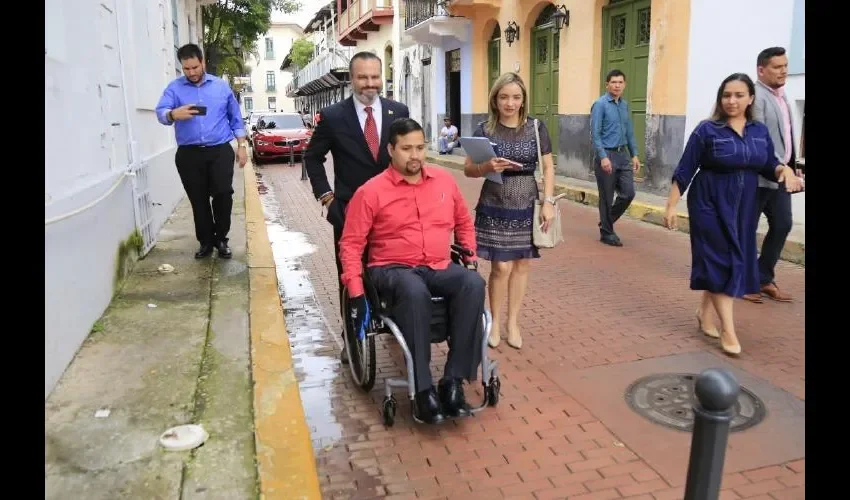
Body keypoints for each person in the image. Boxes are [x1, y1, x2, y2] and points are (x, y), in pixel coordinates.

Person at [339, 118, 485, 425]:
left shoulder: (445, 181)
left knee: (472, 283)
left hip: (438, 265)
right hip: (391, 269)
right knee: (413, 290)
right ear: (391, 149)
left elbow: (463, 222)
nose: (415, 155)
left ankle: (453, 382)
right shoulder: (371, 192)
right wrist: (355, 293)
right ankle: (421, 391)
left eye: (420, 147)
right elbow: (351, 245)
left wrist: (469, 254)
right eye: (406, 149)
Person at [663, 73, 803, 356]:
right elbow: (685, 168)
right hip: (709, 202)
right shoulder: (707, 130)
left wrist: (784, 170)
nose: (732, 100)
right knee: (717, 259)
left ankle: (704, 313)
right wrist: (671, 205)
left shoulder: (758, 131)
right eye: (727, 95)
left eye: (739, 95)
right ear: (720, 98)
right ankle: (728, 329)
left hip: (743, 206)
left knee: (729, 259)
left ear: (751, 98)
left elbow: (767, 165)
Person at [304, 51, 410, 363]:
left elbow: (407, 155)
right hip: (349, 213)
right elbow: (313, 158)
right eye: (362, 77)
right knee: (350, 275)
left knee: (395, 272)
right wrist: (327, 197)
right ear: (352, 79)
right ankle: (352, 338)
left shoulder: (398, 111)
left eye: (375, 77)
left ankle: (396, 327)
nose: (370, 84)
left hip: (394, 214)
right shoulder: (333, 116)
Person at [463, 73, 556, 350]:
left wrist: (549, 201)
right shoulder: (484, 129)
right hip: (494, 202)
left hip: (527, 200)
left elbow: (548, 167)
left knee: (522, 264)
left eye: (516, 97)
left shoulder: (536, 127)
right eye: (504, 97)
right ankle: (492, 320)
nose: (510, 103)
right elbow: (468, 169)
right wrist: (486, 167)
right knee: (500, 266)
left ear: (523, 99)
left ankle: (512, 323)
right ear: (495, 99)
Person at [155, 43, 247, 259]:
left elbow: (236, 118)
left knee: (223, 194)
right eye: (186, 69)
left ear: (202, 62)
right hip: (189, 154)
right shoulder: (174, 88)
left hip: (219, 151)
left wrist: (242, 146)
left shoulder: (220, 87)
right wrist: (172, 114)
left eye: (195, 67)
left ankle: (221, 239)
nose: (191, 73)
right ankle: (205, 242)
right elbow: (161, 112)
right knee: (198, 199)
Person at [743, 47, 801, 304]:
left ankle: (763, 277)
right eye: (778, 67)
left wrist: (793, 164)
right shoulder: (756, 99)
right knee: (746, 230)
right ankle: (744, 281)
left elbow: (785, 136)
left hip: (779, 177)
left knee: (783, 224)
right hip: (757, 178)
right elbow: (759, 140)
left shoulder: (782, 95)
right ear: (761, 70)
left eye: (785, 65)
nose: (784, 70)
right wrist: (782, 166)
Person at [590, 69, 641, 247]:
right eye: (613, 82)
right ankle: (607, 233)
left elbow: (629, 132)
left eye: (620, 82)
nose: (617, 85)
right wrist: (603, 157)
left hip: (623, 154)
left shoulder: (624, 105)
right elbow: (595, 134)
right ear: (607, 84)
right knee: (607, 196)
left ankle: (606, 221)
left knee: (628, 193)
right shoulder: (600, 104)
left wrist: (634, 154)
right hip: (607, 154)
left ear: (624, 85)